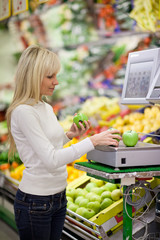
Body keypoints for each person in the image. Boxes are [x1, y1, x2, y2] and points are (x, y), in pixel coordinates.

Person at [6, 45, 122, 240]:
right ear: (34, 76)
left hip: (58, 197)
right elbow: (51, 159)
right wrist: (91, 141)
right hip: (36, 203)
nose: (56, 82)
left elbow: (48, 145)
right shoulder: (24, 112)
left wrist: (69, 135)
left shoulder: (44, 106)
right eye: (50, 77)